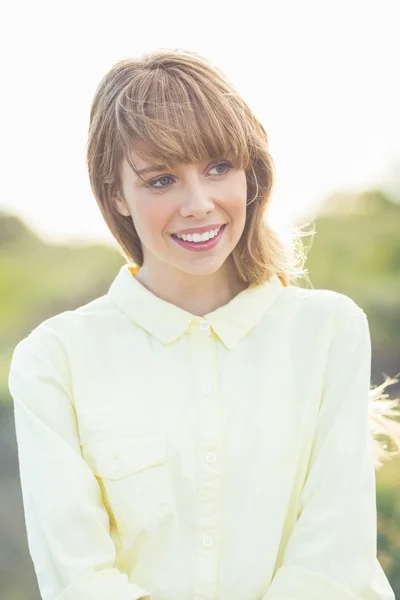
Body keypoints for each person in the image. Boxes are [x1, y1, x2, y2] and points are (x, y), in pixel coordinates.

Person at [8, 48, 397, 600]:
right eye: (161, 180)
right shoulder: (54, 360)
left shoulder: (330, 331)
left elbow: (333, 558)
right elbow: (79, 578)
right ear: (116, 193)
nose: (199, 204)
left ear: (250, 174)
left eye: (219, 169)